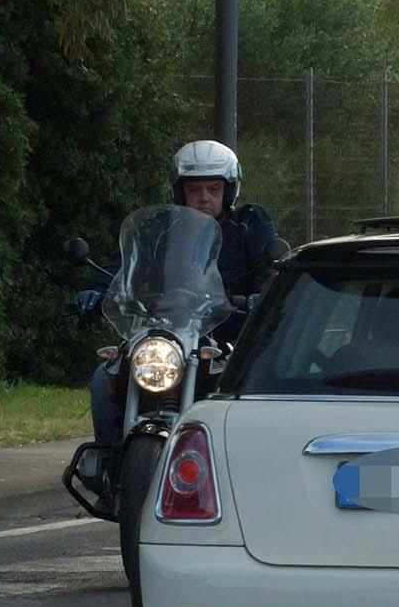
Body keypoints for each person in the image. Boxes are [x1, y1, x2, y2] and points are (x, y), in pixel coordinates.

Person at [77, 140, 288, 469]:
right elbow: (125, 263)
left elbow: (271, 267)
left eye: (213, 189)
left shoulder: (250, 225)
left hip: (227, 334)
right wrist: (98, 288)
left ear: (229, 192)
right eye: (194, 189)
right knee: (104, 380)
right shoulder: (161, 229)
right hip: (162, 330)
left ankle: (243, 465)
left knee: (254, 386)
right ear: (180, 192)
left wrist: (263, 295)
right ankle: (110, 461)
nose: (204, 197)